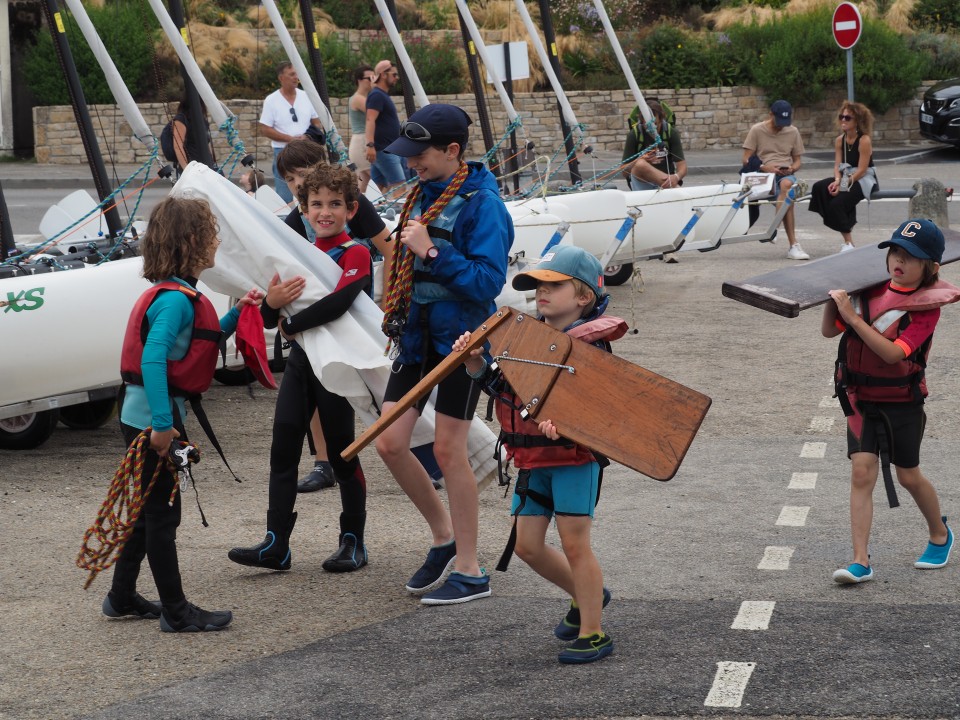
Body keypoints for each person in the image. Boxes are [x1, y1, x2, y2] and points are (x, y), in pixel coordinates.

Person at [452, 245, 623, 663]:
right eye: (537, 286)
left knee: (575, 545)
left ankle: (594, 632)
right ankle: (588, 595)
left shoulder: (592, 347)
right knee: (528, 547)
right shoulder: (525, 337)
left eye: (553, 285)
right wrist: (474, 363)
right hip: (532, 459)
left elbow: (597, 406)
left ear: (583, 296)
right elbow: (502, 386)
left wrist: (566, 423)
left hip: (573, 462)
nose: (541, 293)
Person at [374, 103, 513, 605]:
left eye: (420, 154)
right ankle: (443, 535)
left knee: (449, 450)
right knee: (389, 443)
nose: (411, 163)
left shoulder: (484, 205)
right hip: (414, 337)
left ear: (453, 151)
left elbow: (488, 282)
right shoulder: (417, 197)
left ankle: (472, 572)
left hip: (461, 342)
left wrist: (431, 251)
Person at [104, 196, 262, 632]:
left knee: (146, 509)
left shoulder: (177, 294)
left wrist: (240, 312)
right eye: (211, 234)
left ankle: (120, 597)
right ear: (193, 240)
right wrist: (161, 424)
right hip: (150, 419)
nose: (216, 242)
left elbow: (197, 343)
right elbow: (154, 359)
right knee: (161, 515)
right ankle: (176, 612)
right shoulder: (175, 300)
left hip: (142, 413)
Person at [228, 164, 373, 573]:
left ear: (351, 208)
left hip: (335, 368)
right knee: (283, 451)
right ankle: (276, 544)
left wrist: (290, 323)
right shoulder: (296, 257)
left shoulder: (355, 252)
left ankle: (353, 540)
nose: (324, 212)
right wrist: (273, 302)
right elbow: (273, 320)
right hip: (300, 366)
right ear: (304, 209)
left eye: (334, 204)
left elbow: (340, 302)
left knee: (343, 453)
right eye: (316, 205)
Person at [822, 219, 959, 585]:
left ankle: (940, 534)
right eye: (895, 251)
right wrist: (832, 299)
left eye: (909, 256)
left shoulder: (926, 308)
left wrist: (851, 315)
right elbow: (827, 330)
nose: (898, 260)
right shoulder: (869, 290)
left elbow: (891, 355)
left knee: (908, 475)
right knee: (861, 471)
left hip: (902, 402)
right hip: (860, 399)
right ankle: (860, 561)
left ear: (930, 265)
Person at [273, 139, 392, 493]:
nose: (297, 185)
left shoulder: (354, 206)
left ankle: (418, 452)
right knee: (319, 383)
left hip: (356, 307)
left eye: (303, 175)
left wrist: (393, 300)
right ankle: (324, 461)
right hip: (315, 318)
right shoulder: (296, 219)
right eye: (290, 179)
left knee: (377, 385)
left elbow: (388, 246)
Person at [742, 100, 808, 260]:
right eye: (779, 122)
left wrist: (792, 168)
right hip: (763, 174)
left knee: (787, 186)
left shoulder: (793, 131)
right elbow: (746, 159)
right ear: (770, 114)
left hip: (785, 174)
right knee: (789, 198)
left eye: (784, 122)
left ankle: (774, 230)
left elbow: (798, 160)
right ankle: (793, 246)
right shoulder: (757, 130)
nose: (781, 126)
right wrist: (765, 167)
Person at [809, 101, 877, 253]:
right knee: (819, 187)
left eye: (848, 118)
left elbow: (862, 170)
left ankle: (849, 243)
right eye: (841, 117)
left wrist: (842, 185)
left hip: (863, 178)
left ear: (858, 121)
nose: (843, 120)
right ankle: (846, 223)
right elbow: (837, 165)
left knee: (837, 204)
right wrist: (837, 181)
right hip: (846, 176)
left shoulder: (864, 140)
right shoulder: (840, 140)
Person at [259, 62, 322, 204]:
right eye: (292, 74)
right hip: (282, 151)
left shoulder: (306, 96)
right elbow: (265, 128)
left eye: (297, 74)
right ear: (281, 78)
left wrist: (306, 136)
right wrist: (290, 139)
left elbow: (316, 122)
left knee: (313, 186)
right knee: (285, 189)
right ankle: (287, 220)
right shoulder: (271, 100)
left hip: (306, 149)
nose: (296, 77)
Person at [621, 98, 687, 191]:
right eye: (647, 125)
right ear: (642, 121)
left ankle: (672, 188)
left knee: (642, 164)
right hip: (642, 182)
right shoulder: (634, 134)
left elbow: (682, 166)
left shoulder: (670, 132)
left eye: (655, 124)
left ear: (661, 119)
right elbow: (624, 172)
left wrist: (676, 177)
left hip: (668, 181)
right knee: (640, 164)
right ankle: (676, 190)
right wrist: (640, 160)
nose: (652, 129)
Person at [364, 60, 407, 190]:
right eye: (394, 74)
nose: (397, 78)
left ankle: (374, 210)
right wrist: (370, 145)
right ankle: (400, 210)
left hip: (385, 149)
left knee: (380, 188)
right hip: (384, 149)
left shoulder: (380, 95)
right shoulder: (377, 95)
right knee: (400, 186)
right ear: (383, 75)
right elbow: (370, 120)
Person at [348, 64, 375, 193]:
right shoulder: (358, 99)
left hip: (363, 141)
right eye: (369, 78)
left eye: (374, 78)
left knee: (363, 183)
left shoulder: (366, 98)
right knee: (380, 177)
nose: (373, 81)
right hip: (362, 142)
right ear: (359, 80)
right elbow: (377, 114)